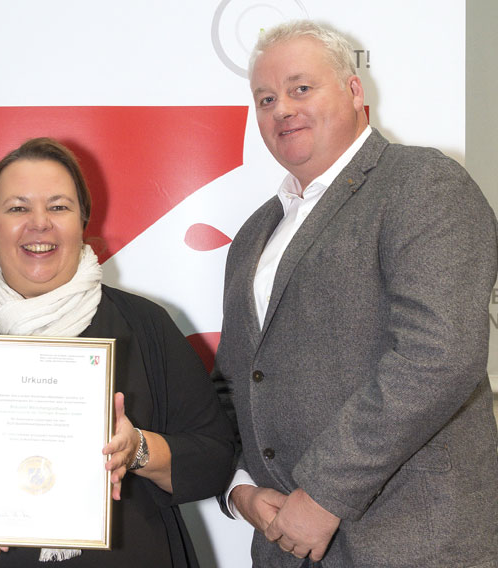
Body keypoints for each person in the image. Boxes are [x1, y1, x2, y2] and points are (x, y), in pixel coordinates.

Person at [213, 20, 498, 567]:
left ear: (353, 91)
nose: (282, 109)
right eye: (266, 98)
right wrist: (241, 486)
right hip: (284, 547)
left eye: (301, 88)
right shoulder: (254, 233)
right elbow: (235, 377)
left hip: (413, 546)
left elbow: (438, 355)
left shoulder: (422, 183)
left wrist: (323, 493)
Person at [0, 137, 236, 567]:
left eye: (59, 206)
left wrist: (138, 449)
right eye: (17, 208)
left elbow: (213, 458)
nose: (39, 223)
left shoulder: (146, 325)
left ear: (83, 219)